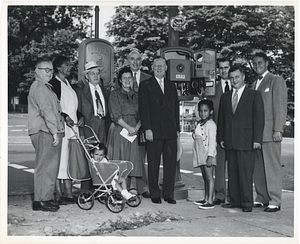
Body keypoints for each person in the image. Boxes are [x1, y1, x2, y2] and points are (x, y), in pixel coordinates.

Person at [217, 65, 264, 212]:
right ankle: (234, 201)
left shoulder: (254, 95)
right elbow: (222, 119)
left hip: (247, 140)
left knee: (245, 174)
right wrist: (221, 138)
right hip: (230, 140)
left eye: (237, 77)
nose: (234, 80)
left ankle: (247, 203)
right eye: (231, 78)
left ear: (243, 77)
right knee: (232, 173)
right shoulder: (225, 97)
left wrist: (257, 139)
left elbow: (259, 119)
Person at [138, 56, 180, 204]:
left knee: (170, 164)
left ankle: (168, 194)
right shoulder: (145, 85)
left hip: (169, 130)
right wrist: (147, 129)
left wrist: (177, 130)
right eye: (156, 66)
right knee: (153, 164)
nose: (159, 68)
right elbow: (144, 109)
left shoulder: (171, 85)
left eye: (162, 66)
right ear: (152, 67)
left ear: (166, 68)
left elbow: (175, 108)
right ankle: (155, 193)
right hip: (154, 131)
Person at [251, 52, 287, 212]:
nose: (257, 65)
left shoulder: (275, 80)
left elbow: (280, 106)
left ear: (266, 63)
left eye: (260, 62)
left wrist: (278, 129)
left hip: (270, 133)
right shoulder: (253, 84)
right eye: (254, 63)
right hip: (256, 134)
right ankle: (261, 197)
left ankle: (275, 200)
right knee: (258, 168)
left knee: (272, 167)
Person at [28, 59, 65, 212]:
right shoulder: (40, 88)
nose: (49, 73)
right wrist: (55, 132)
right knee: (47, 167)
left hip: (46, 131)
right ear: (37, 70)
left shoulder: (44, 87)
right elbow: (47, 111)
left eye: (51, 70)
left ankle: (41, 199)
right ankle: (44, 200)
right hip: (46, 132)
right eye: (46, 70)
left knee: (46, 166)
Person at [49, 56, 84, 204]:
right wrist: (64, 116)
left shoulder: (68, 83)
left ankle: (68, 193)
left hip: (72, 127)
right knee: (60, 159)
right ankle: (58, 193)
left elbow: (72, 107)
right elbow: (54, 106)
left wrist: (80, 116)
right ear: (58, 67)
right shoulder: (54, 83)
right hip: (61, 126)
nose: (69, 67)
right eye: (66, 65)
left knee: (68, 158)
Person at [106, 66, 146, 193]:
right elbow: (115, 115)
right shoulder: (115, 94)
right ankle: (119, 187)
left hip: (135, 129)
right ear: (120, 80)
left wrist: (136, 128)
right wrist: (129, 128)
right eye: (124, 78)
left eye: (130, 78)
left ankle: (133, 185)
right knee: (120, 157)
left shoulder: (138, 95)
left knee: (134, 156)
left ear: (133, 80)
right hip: (120, 128)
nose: (127, 80)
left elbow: (143, 113)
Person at [76, 60, 111, 191]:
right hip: (89, 127)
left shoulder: (106, 91)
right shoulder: (81, 93)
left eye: (97, 73)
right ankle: (85, 191)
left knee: (102, 158)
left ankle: (100, 189)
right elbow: (77, 111)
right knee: (88, 158)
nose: (96, 76)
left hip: (103, 127)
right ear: (86, 77)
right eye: (92, 74)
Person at [127, 49, 152, 198]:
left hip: (146, 123)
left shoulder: (148, 78)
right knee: (130, 155)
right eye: (132, 59)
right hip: (129, 124)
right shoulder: (122, 77)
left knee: (143, 156)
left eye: (138, 59)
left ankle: (143, 186)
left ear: (141, 62)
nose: (135, 62)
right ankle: (131, 185)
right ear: (128, 61)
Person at [208, 57, 232, 205]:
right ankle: (220, 194)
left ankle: (235, 194)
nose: (223, 71)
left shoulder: (239, 86)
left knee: (235, 166)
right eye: (221, 68)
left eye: (226, 67)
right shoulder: (212, 88)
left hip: (236, 133)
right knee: (220, 166)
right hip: (218, 134)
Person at [193, 100, 217, 210]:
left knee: (209, 177)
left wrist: (210, 156)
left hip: (207, 153)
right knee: (204, 177)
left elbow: (212, 141)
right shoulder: (200, 122)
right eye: (201, 111)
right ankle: (206, 198)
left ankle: (210, 200)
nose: (203, 113)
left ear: (211, 111)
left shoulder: (211, 124)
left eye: (205, 111)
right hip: (200, 153)